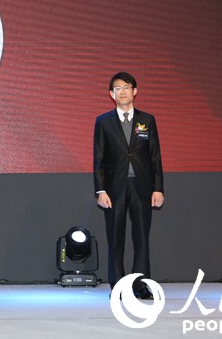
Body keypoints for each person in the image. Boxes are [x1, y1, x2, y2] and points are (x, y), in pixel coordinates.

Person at [93, 72, 164, 299]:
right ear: (111, 94)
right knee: (116, 240)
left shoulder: (147, 120)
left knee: (141, 239)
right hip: (114, 190)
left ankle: (140, 285)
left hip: (142, 188)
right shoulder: (103, 121)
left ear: (134, 91)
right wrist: (101, 190)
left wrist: (158, 188)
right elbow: (99, 159)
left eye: (126, 87)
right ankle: (119, 286)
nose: (122, 92)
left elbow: (155, 157)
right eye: (117, 88)